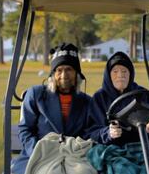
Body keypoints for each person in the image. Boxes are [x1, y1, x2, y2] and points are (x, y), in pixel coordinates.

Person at [86, 52, 149, 174]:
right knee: (123, 169)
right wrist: (108, 133)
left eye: (124, 71)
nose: (120, 75)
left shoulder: (143, 94)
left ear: (131, 74)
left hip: (147, 147)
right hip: (117, 150)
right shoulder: (99, 98)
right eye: (115, 72)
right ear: (108, 75)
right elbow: (92, 131)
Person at [11, 43, 91, 174]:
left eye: (69, 69)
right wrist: (37, 150)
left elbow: (89, 132)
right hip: (41, 153)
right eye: (59, 70)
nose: (64, 75)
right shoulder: (36, 95)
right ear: (53, 74)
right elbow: (25, 129)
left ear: (77, 74)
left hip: (74, 156)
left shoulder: (86, 101)